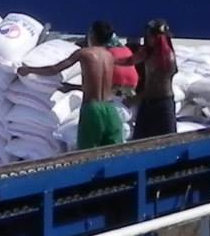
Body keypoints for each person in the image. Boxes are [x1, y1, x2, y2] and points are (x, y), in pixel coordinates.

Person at [21, 20, 126, 149]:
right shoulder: (110, 57)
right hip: (111, 109)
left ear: (92, 34)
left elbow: (55, 69)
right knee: (114, 153)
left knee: (87, 154)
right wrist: (71, 87)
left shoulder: (84, 53)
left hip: (92, 110)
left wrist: (29, 70)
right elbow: (101, 84)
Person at [133, 18, 178, 138]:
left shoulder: (167, 57)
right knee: (140, 142)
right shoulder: (146, 54)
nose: (149, 39)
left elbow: (157, 81)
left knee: (167, 142)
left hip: (162, 103)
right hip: (147, 104)